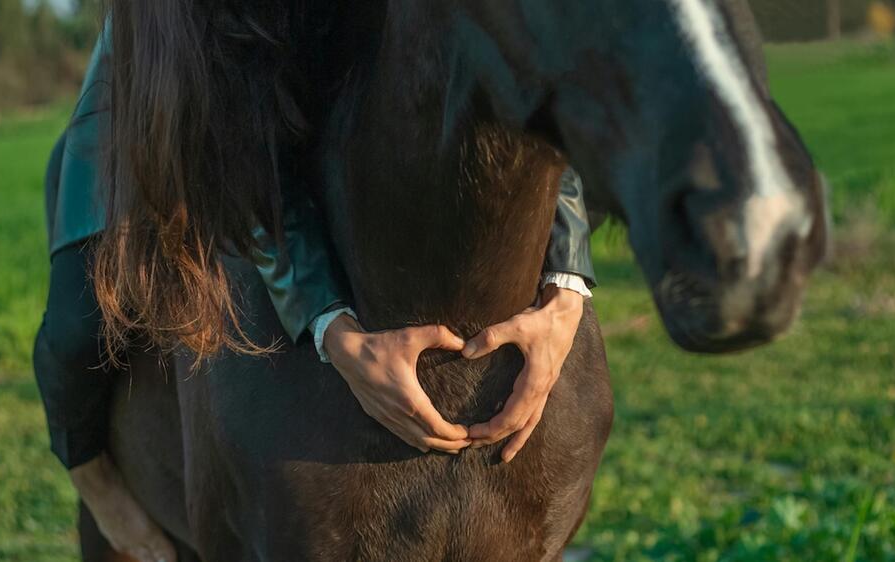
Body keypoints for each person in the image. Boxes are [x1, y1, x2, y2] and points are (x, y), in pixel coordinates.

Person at [33, 4, 597, 561]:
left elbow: (524, 44)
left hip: (318, 50)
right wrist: (331, 327)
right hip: (177, 73)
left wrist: (566, 276)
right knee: (73, 328)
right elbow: (238, 129)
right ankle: (93, 480)